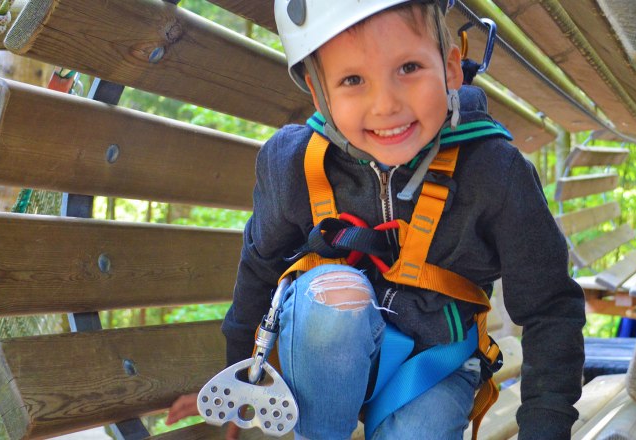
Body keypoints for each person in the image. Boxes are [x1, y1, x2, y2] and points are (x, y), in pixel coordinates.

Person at [167, 1, 585, 439]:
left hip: (434, 364)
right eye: (352, 80)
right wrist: (239, 373)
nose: (385, 105)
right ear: (319, 92)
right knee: (334, 294)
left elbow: (549, 308)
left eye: (408, 67)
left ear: (451, 68)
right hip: (327, 355)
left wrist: (545, 428)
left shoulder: (495, 171)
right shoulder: (294, 164)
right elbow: (260, 267)